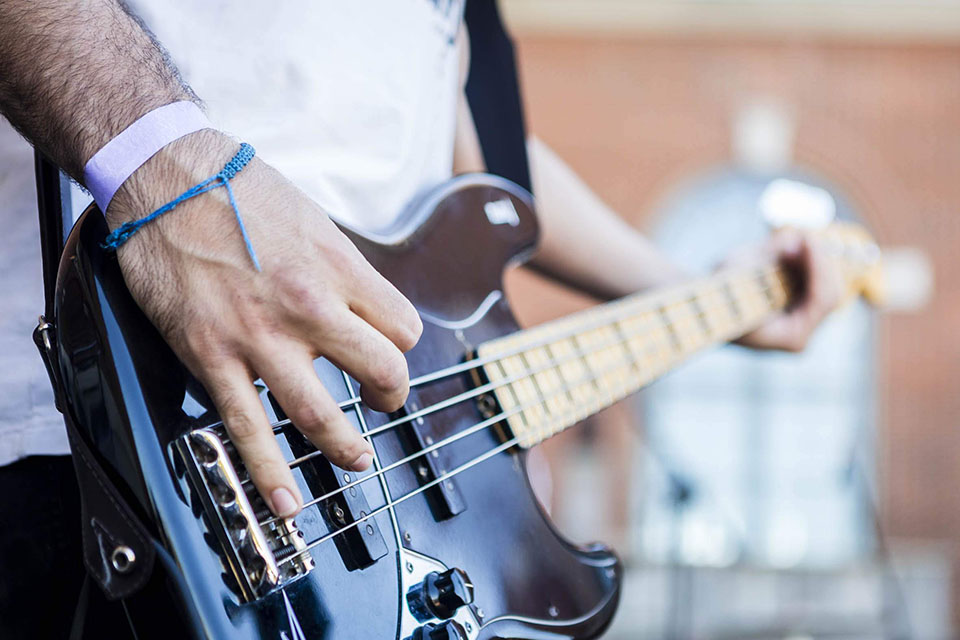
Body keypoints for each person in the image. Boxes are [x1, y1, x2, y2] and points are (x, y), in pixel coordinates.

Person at [0, 1, 840, 636]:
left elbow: (481, 174)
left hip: (386, 519)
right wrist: (162, 169)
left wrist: (698, 292)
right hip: (93, 444)